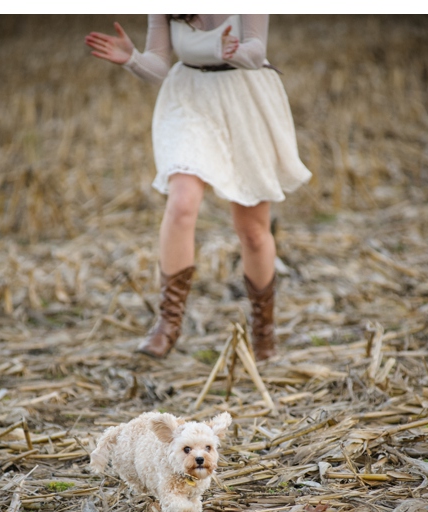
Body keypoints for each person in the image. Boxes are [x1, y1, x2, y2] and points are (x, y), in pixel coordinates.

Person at [85, 15, 311, 361]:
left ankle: (263, 333)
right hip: (189, 98)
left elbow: (255, 53)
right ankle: (168, 323)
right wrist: (132, 58)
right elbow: (158, 65)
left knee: (252, 230)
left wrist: (232, 50)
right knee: (182, 202)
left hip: (245, 98)